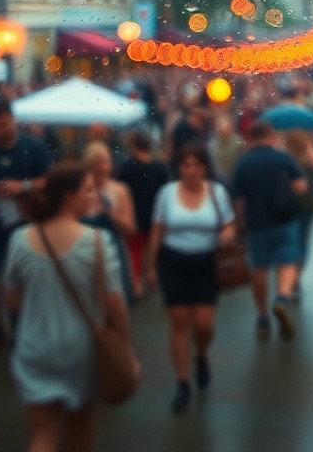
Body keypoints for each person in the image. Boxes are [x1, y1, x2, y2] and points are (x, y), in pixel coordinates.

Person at [5, 164, 137, 452]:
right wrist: (127, 354)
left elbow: (12, 301)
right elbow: (115, 306)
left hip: (34, 346)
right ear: (69, 198)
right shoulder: (98, 243)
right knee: (80, 428)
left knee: (42, 435)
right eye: (88, 190)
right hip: (81, 350)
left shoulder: (19, 240)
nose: (95, 196)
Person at [146, 142, 236, 413]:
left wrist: (228, 234)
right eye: (186, 165)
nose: (191, 170)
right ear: (179, 167)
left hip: (205, 263)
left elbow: (229, 224)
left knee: (204, 325)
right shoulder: (167, 194)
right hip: (173, 261)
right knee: (179, 321)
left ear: (204, 167)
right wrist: (150, 267)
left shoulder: (217, 193)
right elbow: (157, 231)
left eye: (196, 165)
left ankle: (201, 354)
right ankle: (183, 383)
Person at [0, 101, 51, 362]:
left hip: (24, 226)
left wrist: (22, 186)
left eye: (2, 125)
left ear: (12, 121)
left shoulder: (33, 148)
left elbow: (48, 180)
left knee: (22, 282)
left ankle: (21, 331)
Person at [231, 121, 307, 342]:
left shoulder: (244, 163)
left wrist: (239, 223)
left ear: (251, 139)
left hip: (257, 224)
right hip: (284, 220)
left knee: (259, 268)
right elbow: (301, 186)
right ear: (271, 136)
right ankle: (282, 297)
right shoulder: (282, 158)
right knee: (288, 261)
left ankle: (263, 317)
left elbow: (238, 199)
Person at [117, 130, 171, 300]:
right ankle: (154, 276)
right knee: (154, 247)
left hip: (134, 214)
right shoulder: (160, 168)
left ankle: (137, 285)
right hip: (156, 214)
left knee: (135, 251)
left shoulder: (126, 168)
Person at [80, 142, 136, 303]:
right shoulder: (80, 192)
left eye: (107, 161)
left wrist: (113, 215)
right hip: (84, 251)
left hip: (112, 251)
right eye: (100, 162)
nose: (105, 167)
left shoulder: (120, 190)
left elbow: (131, 229)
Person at [282, 128, 313, 302]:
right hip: (307, 205)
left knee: (290, 241)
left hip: (287, 206)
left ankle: (289, 280)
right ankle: (296, 278)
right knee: (303, 241)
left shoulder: (284, 158)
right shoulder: (311, 157)